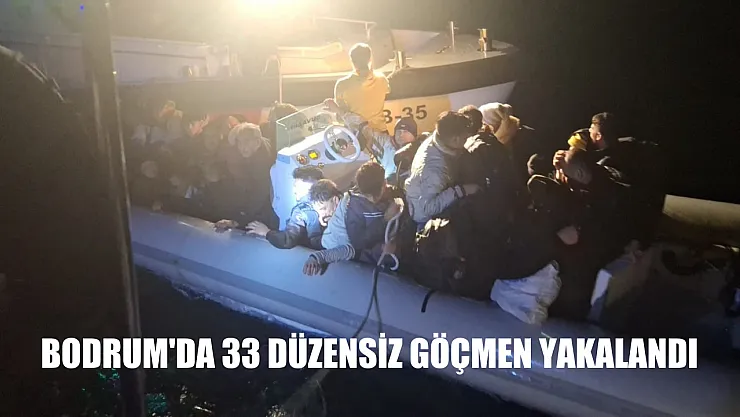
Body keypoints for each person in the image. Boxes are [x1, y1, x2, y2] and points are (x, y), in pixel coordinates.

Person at [304, 162, 402, 276]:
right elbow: (350, 248)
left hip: (331, 242)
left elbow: (350, 248)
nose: (372, 199)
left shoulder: (351, 202)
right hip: (332, 244)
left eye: (324, 208)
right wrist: (317, 257)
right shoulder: (351, 206)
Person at [218, 166, 325, 250]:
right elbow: (268, 220)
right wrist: (236, 223)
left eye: (296, 186)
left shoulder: (303, 210)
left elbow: (287, 240)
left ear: (308, 186)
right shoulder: (326, 203)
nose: (294, 190)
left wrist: (267, 233)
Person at [404, 111, 480, 225]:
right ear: (455, 140)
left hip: (426, 190)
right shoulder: (435, 170)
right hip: (425, 217)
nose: (467, 140)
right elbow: (428, 208)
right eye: (465, 138)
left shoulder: (439, 137)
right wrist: (462, 190)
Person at [209, 122, 278, 229]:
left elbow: (259, 194)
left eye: (246, 141)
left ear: (257, 142)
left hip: (267, 210)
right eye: (239, 142)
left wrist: (237, 221)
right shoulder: (258, 145)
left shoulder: (262, 163)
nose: (242, 147)